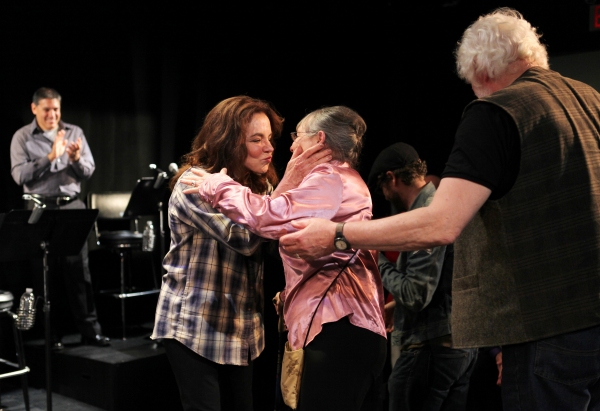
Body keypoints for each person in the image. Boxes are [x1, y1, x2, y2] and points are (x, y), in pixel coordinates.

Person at [280, 8, 600, 411]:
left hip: (549, 325)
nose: (475, 92)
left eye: (471, 83)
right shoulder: (593, 100)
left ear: (480, 70)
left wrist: (338, 234)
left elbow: (443, 222)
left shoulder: (498, 109)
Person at [185, 106, 387, 411]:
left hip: (338, 328)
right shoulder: (344, 178)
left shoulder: (329, 177)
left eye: (297, 136)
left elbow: (266, 217)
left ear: (318, 140)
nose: (290, 146)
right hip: (350, 328)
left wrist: (216, 185)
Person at [150, 95, 331, 411]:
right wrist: (288, 187)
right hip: (193, 325)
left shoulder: (261, 188)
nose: (269, 147)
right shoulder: (195, 184)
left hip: (240, 328)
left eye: (270, 139)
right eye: (256, 139)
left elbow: (280, 240)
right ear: (229, 141)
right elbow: (245, 238)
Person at [369, 142, 477, 411]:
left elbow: (416, 294)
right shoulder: (444, 205)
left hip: (431, 347)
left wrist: (377, 261)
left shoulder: (426, 215)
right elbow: (445, 281)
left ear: (392, 179)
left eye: (382, 187)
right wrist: (396, 306)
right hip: (462, 346)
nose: (384, 195)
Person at [10, 87, 109, 348]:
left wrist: (75, 158)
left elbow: (88, 170)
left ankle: (90, 330)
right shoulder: (22, 137)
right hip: (39, 210)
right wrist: (51, 156)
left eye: (56, 109)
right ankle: (50, 335)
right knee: (44, 275)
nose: (52, 114)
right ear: (34, 109)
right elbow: (19, 176)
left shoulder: (75, 132)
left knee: (79, 273)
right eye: (46, 109)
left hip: (71, 207)